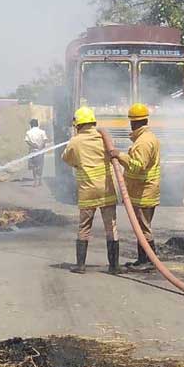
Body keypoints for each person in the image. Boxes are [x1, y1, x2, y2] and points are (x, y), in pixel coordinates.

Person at [61, 107, 120, 274]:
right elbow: (111, 154)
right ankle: (114, 266)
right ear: (93, 122)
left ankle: (80, 265)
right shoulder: (103, 138)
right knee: (111, 227)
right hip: (107, 190)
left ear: (77, 125)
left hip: (87, 191)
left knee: (84, 227)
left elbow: (66, 158)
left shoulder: (75, 141)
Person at [110, 103, 160, 270]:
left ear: (135, 122)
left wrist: (119, 155)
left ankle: (148, 261)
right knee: (141, 227)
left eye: (131, 121)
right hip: (143, 190)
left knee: (143, 228)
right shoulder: (145, 138)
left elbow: (137, 165)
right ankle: (143, 260)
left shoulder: (143, 142)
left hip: (144, 191)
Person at [24, 118, 49, 187]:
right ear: (37, 124)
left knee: (34, 166)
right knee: (40, 165)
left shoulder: (28, 132)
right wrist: (41, 147)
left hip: (32, 151)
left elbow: (27, 141)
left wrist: (34, 145)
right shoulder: (42, 132)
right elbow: (45, 140)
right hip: (41, 151)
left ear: (31, 125)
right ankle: (40, 180)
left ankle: (35, 181)